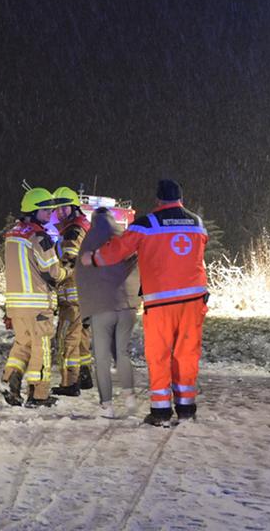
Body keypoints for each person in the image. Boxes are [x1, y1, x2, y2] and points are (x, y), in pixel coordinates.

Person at [83, 179, 208, 427]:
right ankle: (186, 409)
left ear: (158, 200)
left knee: (159, 353)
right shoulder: (197, 223)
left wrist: (93, 258)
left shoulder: (146, 224)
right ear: (180, 199)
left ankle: (160, 412)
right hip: (194, 299)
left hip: (161, 300)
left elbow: (118, 250)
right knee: (187, 353)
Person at [1, 186, 68, 408]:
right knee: (41, 349)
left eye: (51, 209)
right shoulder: (39, 236)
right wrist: (68, 271)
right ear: (32, 210)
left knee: (22, 345)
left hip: (15, 304)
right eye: (45, 209)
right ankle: (38, 395)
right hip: (37, 304)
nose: (50, 213)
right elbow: (53, 272)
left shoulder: (12, 234)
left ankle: (9, 382)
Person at [75, 203, 140, 419]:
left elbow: (81, 276)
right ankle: (130, 395)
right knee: (121, 352)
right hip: (127, 307)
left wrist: (86, 309)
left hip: (101, 308)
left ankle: (107, 406)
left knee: (101, 358)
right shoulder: (125, 240)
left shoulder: (88, 243)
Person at [49, 187, 95, 397]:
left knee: (66, 337)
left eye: (62, 207)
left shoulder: (73, 230)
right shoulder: (86, 226)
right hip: (87, 294)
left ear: (72, 207)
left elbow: (69, 259)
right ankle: (84, 376)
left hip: (72, 296)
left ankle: (70, 382)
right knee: (81, 337)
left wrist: (53, 274)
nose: (58, 212)